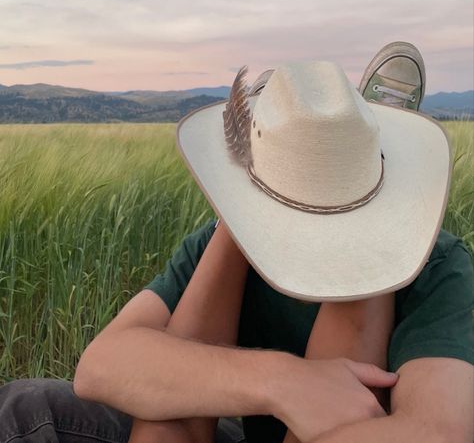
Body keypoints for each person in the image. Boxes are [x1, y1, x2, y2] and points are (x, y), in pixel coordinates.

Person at [0, 43, 472, 443]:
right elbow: (100, 368)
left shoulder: (440, 266)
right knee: (21, 408)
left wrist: (241, 201)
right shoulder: (213, 246)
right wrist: (281, 381)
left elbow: (439, 430)